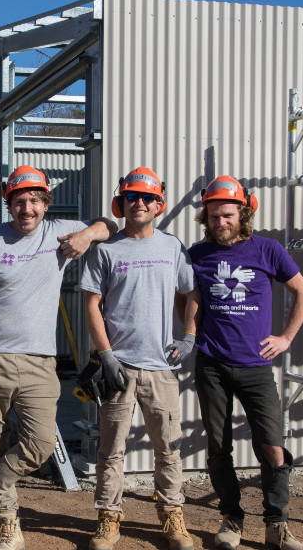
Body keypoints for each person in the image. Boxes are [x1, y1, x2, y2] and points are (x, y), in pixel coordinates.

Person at [0, 165, 116, 550]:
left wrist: (87, 235)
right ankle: (9, 526)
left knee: (38, 444)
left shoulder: (60, 232)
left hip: (39, 361)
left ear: (45, 203)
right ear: (9, 203)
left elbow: (110, 225)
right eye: (20, 201)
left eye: (35, 200)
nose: (28, 208)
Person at [185, 176, 303, 550]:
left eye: (227, 215)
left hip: (256, 367)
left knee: (272, 445)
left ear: (243, 213)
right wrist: (190, 335)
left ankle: (277, 523)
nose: (219, 222)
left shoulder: (267, 249)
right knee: (219, 446)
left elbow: (302, 292)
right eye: (213, 216)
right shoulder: (197, 254)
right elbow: (192, 299)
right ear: (204, 218)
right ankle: (231, 518)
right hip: (212, 364)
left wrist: (285, 338)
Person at [78, 167, 200, 550]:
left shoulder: (173, 247)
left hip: (161, 369)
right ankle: (108, 519)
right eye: (133, 197)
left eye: (147, 198)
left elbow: (190, 292)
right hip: (119, 368)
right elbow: (92, 306)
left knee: (169, 449)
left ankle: (172, 516)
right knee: (110, 450)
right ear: (122, 202)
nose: (140, 203)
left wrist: (190, 335)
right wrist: (106, 354)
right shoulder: (105, 250)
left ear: (159, 204)